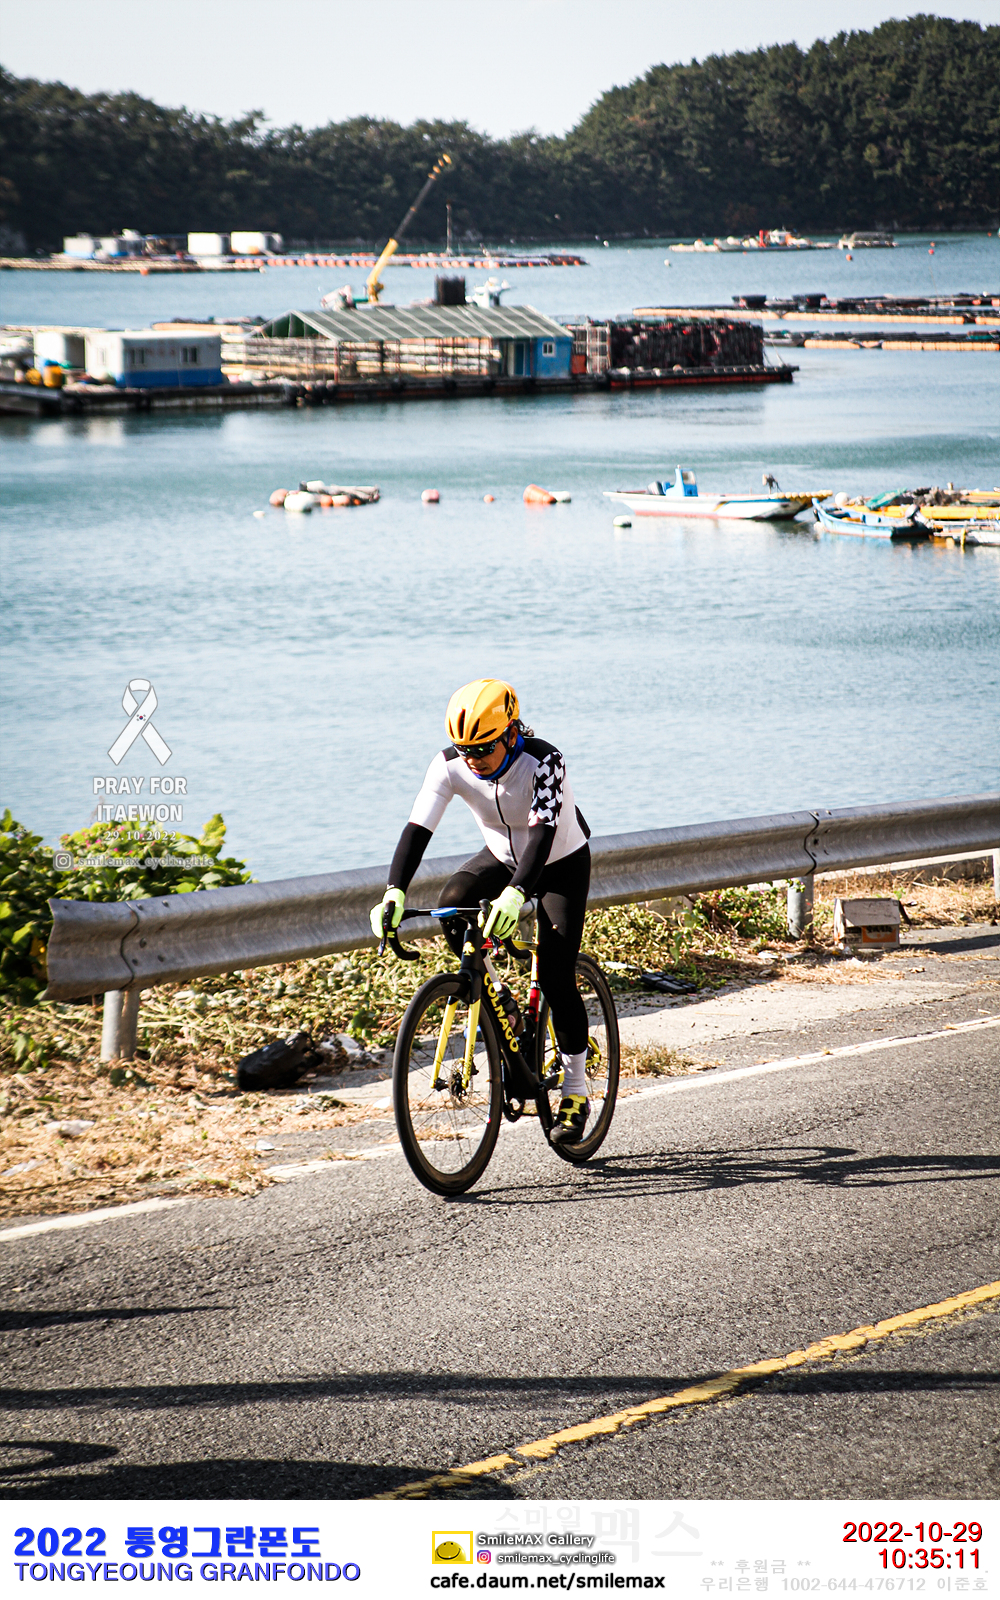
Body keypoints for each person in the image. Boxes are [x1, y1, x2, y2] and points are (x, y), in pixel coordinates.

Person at [370, 678, 592, 1144]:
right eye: (464, 749)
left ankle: (576, 1089)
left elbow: (541, 836)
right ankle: (502, 1002)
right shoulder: (449, 765)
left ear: (510, 733)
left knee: (556, 975)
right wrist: (394, 891)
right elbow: (417, 829)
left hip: (559, 863)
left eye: (484, 748)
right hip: (502, 858)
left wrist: (515, 894)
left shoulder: (545, 761)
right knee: (452, 906)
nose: (473, 759)